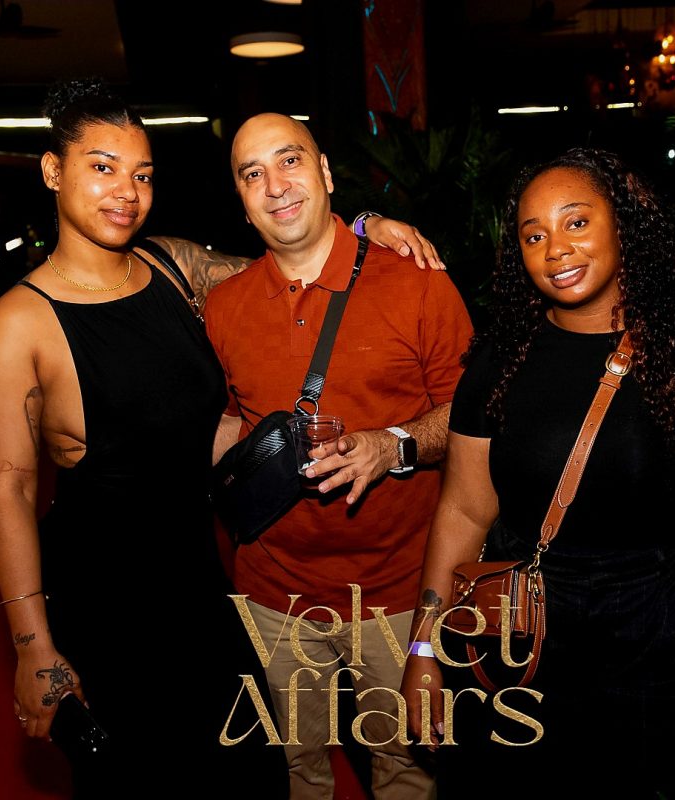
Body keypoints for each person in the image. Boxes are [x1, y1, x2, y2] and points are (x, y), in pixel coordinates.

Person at [0, 80, 444, 794]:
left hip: (204, 583)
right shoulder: (17, 323)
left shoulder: (171, 266)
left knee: (251, 775)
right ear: (52, 171)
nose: (126, 191)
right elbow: (9, 493)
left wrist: (362, 227)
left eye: (142, 174)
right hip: (111, 604)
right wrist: (33, 646)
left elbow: (292, 256)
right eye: (102, 167)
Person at [400, 149, 675, 797]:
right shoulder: (498, 364)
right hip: (517, 656)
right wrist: (424, 651)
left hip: (656, 666)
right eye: (534, 235)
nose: (556, 249)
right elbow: (462, 511)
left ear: (623, 226)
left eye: (576, 222)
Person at [203, 113, 475, 799]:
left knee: (406, 768)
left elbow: (476, 418)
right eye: (253, 173)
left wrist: (395, 444)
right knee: (298, 771)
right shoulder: (224, 306)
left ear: (325, 172)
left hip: (399, 592)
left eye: (289, 161)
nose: (275, 185)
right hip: (274, 593)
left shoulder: (416, 281)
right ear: (240, 199)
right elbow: (231, 415)